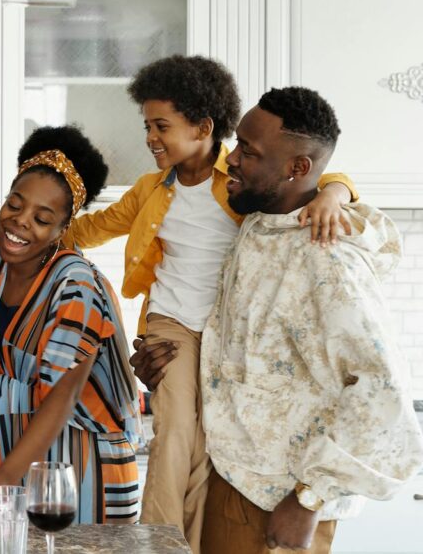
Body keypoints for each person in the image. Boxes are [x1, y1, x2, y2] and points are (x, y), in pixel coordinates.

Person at [60, 56, 355, 551]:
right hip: (170, 324)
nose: (151, 137)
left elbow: (314, 171)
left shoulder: (241, 180)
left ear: (203, 127)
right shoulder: (151, 189)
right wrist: (34, 233)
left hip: (225, 332)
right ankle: (156, 541)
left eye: (162, 126)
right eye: (147, 126)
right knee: (174, 434)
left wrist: (336, 193)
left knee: (208, 446)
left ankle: (188, 543)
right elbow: (91, 229)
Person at [136, 88, 423, 553]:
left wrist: (309, 499)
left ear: (297, 168)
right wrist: (166, 372)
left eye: (248, 152)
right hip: (233, 480)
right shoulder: (261, 222)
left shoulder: (325, 261)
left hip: (276, 503)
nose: (230, 161)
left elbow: (385, 394)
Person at [0, 125, 141, 524]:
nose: (19, 222)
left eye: (41, 217)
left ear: (61, 229)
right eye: (14, 205)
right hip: (11, 448)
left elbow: (61, 398)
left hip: (80, 466)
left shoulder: (77, 285)